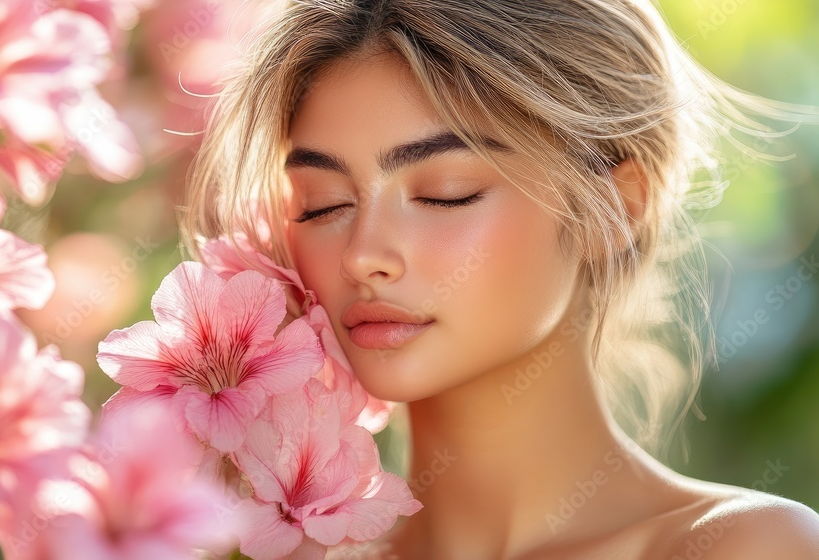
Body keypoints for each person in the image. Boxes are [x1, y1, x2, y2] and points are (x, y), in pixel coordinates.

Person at [179, 0, 819, 557]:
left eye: (444, 193)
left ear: (617, 206)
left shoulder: (744, 549)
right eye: (321, 203)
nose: (362, 254)